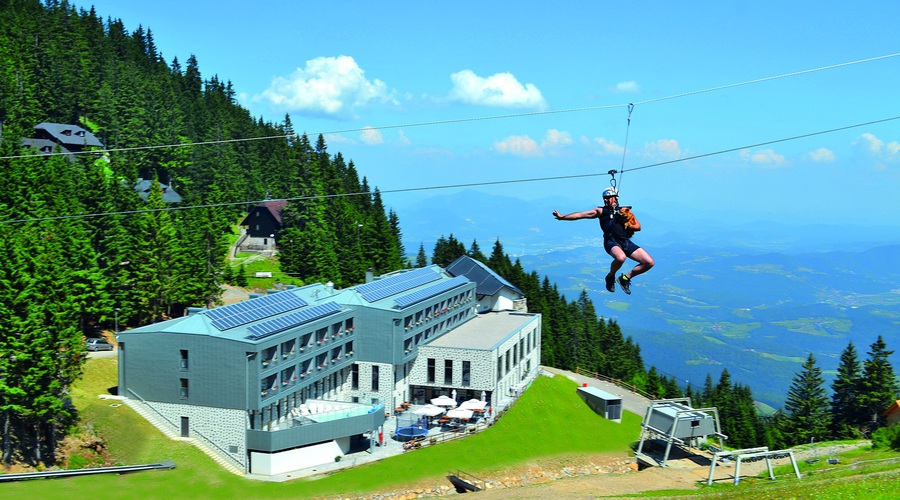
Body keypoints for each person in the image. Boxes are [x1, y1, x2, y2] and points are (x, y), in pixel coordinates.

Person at [552, 187, 654, 294]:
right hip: (611, 242)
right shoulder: (601, 211)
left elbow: (638, 227)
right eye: (604, 198)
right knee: (621, 257)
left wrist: (626, 223)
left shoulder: (624, 211)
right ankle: (610, 277)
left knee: (649, 262)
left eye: (608, 198)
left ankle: (625, 278)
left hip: (625, 242)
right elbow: (580, 215)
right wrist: (562, 217)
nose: (606, 200)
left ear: (615, 198)